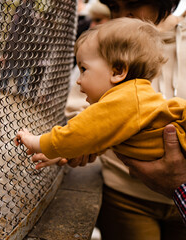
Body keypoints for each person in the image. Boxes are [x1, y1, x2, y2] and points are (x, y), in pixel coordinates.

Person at [32, 0, 186, 239]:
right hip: (125, 195)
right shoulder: (106, 42)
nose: (124, 15)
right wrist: (76, 144)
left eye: (134, 3)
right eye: (114, 7)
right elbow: (83, 112)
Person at [15, 17, 186, 162]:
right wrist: (61, 152)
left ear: (117, 71)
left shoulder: (124, 100)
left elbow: (78, 133)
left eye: (84, 69)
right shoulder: (134, 98)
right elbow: (101, 137)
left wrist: (35, 142)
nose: (79, 81)